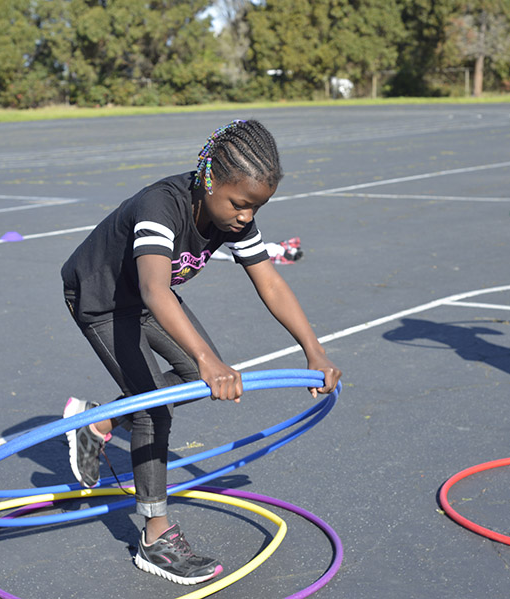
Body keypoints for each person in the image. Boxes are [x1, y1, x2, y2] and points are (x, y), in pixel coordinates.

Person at [60, 119, 341, 584]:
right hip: (102, 299)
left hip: (149, 301)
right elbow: (154, 288)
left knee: (190, 377)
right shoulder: (159, 207)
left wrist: (314, 350)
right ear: (209, 177)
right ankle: (155, 537)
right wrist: (211, 360)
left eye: (256, 207)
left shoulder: (232, 216)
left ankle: (98, 422)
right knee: (155, 410)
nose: (246, 217)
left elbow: (269, 281)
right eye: (240, 203)